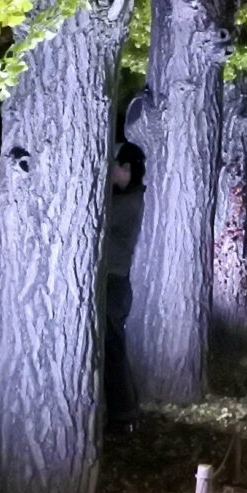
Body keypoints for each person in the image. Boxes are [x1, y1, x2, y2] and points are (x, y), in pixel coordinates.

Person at [101, 147, 143, 433]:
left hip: (114, 282)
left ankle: (123, 415)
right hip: (116, 281)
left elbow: (101, 219)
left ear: (127, 169)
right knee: (113, 347)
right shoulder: (129, 199)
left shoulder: (127, 203)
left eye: (114, 165)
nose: (110, 170)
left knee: (113, 349)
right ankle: (125, 409)